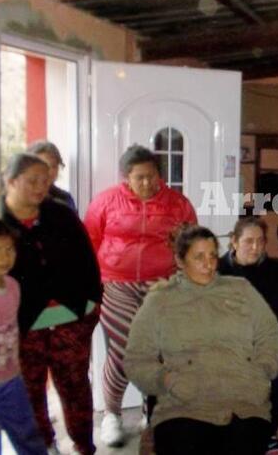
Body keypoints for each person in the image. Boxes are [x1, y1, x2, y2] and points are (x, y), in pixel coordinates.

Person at [124, 225, 278, 455]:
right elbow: (136, 359)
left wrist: (262, 370)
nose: (209, 264)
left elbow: (270, 333)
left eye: (212, 255)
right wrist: (167, 381)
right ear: (180, 261)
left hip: (242, 400)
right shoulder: (160, 300)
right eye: (199, 257)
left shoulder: (240, 289)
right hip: (183, 404)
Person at [84, 144, 197, 446]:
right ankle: (112, 415)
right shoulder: (107, 201)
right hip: (117, 285)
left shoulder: (177, 203)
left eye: (152, 176)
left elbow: (190, 243)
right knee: (123, 352)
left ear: (160, 175)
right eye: (139, 177)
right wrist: (92, 283)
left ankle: (154, 413)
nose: (147, 183)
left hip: (162, 285)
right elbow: (90, 241)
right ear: (126, 178)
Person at [2, 153, 102, 455]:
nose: (40, 187)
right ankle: (44, 445)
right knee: (30, 392)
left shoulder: (61, 214)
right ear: (10, 180)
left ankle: (84, 445)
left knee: (75, 388)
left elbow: (88, 263)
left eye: (46, 180)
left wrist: (90, 307)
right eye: (32, 180)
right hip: (22, 325)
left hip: (71, 318)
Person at [217, 216, 278, 451]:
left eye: (260, 241)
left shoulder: (277, 271)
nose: (256, 248)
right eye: (249, 241)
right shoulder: (217, 271)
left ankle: (269, 430)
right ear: (234, 242)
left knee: (277, 378)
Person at [0, 219, 47, 455]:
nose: (4, 257)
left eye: (9, 249)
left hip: (12, 379)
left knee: (29, 436)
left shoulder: (12, 287)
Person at [27, 140, 76, 211]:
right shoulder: (21, 198)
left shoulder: (65, 198)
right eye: (44, 166)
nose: (50, 171)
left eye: (54, 166)